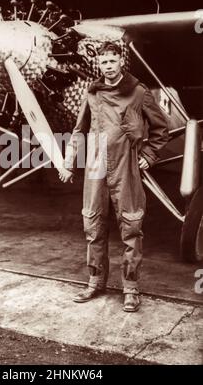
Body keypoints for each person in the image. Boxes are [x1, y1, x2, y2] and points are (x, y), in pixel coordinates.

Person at [59, 41, 169, 312]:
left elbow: (161, 127)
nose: (107, 66)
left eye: (112, 61)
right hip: (96, 166)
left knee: (131, 226)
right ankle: (96, 282)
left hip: (125, 165)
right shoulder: (92, 93)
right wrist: (69, 161)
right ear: (99, 64)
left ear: (121, 61)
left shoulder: (138, 92)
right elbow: (79, 130)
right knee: (93, 224)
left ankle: (131, 289)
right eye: (103, 62)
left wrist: (149, 155)